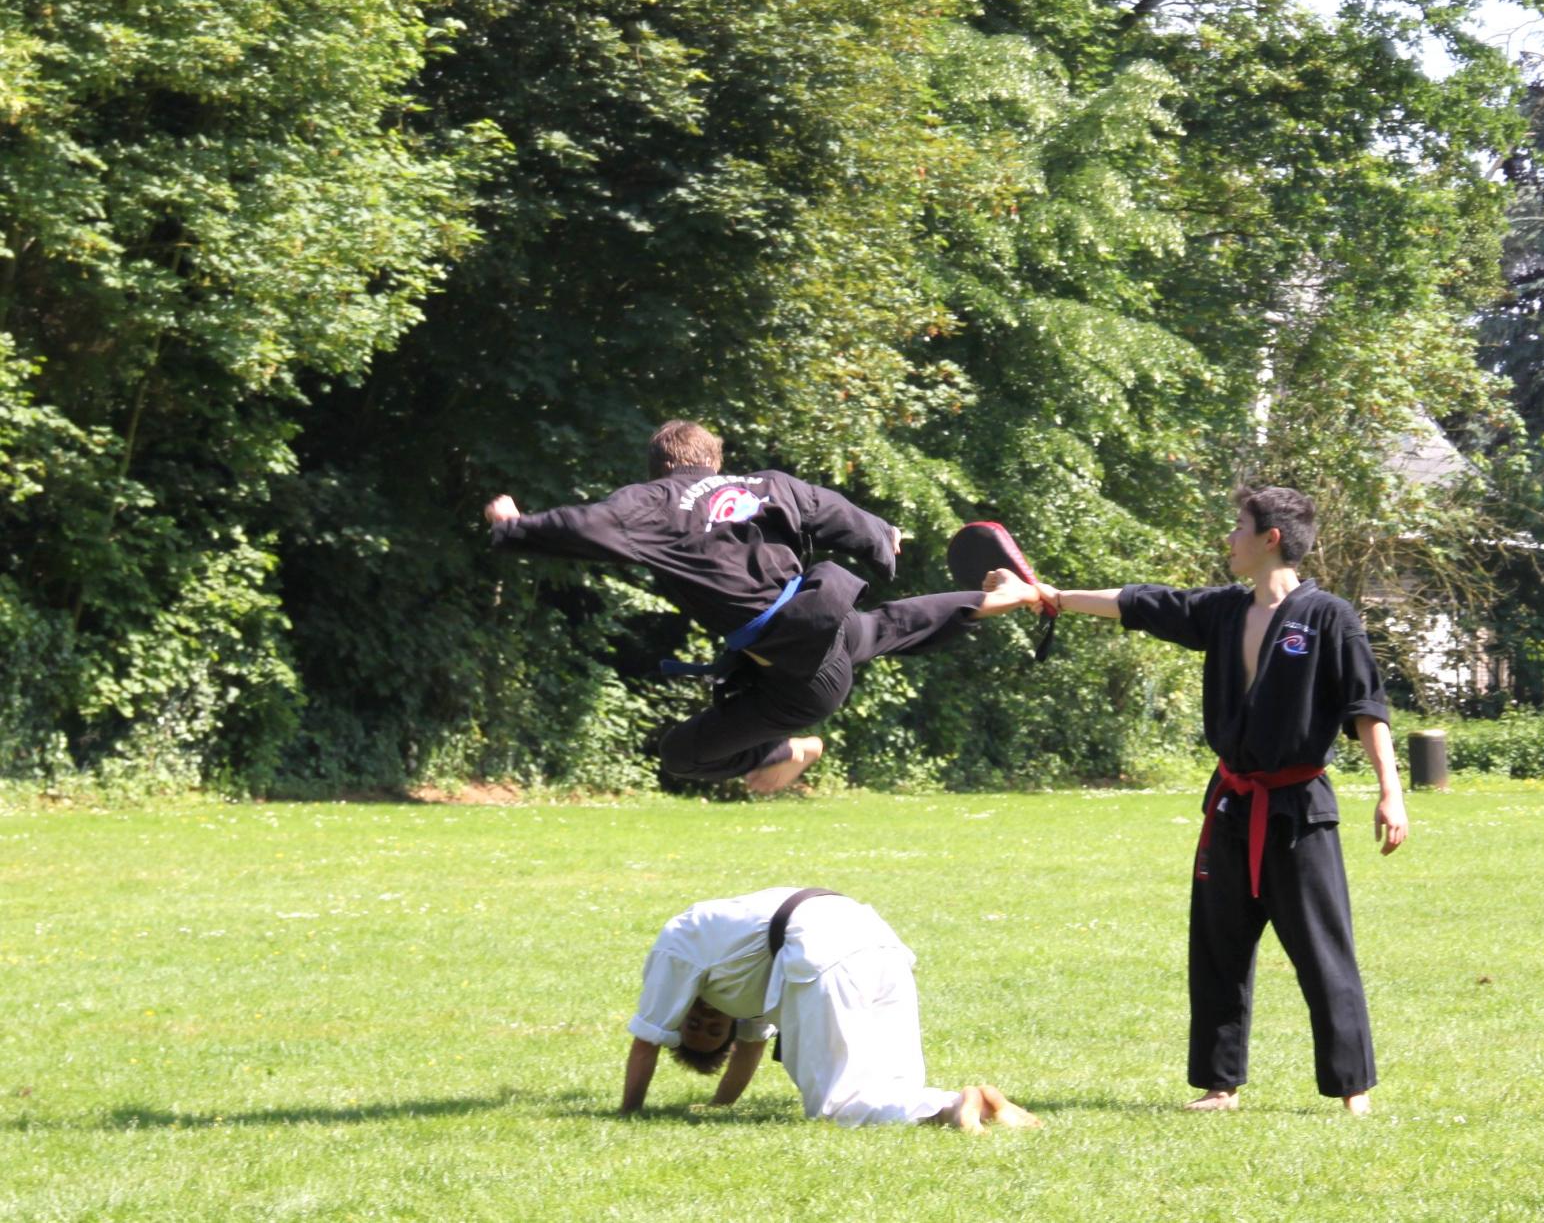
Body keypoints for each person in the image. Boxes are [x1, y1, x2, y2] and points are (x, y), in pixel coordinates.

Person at [990, 486, 1408, 1115]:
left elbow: (1365, 708)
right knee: (1217, 947)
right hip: (1232, 806)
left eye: (1239, 527)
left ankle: (1352, 1089)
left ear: (1271, 538)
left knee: (1323, 950)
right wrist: (1047, 595)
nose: (1230, 539)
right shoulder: (1223, 611)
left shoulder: (1328, 617)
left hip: (1299, 810)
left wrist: (1390, 793)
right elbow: (1138, 604)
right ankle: (1221, 1085)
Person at [484, 420, 1039, 792]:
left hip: (798, 675)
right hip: (823, 619)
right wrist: (880, 537)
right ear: (717, 461)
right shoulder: (768, 484)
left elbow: (583, 524)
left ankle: (786, 753)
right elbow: (836, 511)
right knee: (877, 628)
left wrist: (514, 527)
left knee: (681, 755)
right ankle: (995, 600)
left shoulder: (652, 502)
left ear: (659, 467)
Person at [618, 886, 1041, 1132]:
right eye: (711, 1032)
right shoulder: (729, 975)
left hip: (825, 948)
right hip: (874, 939)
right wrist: (720, 1107)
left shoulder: (676, 946)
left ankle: (957, 1104)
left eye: (694, 1022)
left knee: (835, 1106)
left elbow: (647, 1041)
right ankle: (980, 1107)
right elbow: (749, 1047)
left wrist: (628, 1114)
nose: (707, 1021)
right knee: (895, 1086)